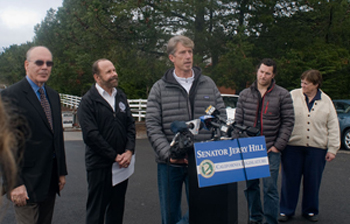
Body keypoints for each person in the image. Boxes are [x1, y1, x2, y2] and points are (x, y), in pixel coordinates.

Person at [146, 35, 226, 224]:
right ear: (172, 57)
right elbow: (152, 124)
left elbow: (221, 117)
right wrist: (168, 153)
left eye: (190, 52)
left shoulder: (208, 84)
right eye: (183, 52)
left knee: (201, 210)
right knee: (170, 214)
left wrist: (212, 146)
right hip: (170, 163)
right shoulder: (159, 88)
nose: (188, 56)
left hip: (202, 161)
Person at [0, 46, 68, 224]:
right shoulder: (9, 96)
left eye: (49, 63)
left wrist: (61, 171)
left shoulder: (53, 95)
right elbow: (5, 146)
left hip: (50, 179)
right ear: (26, 65)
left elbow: (57, 136)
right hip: (25, 182)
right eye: (39, 62)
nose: (45, 67)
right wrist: (13, 183)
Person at [235, 58, 294, 224]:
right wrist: (241, 142)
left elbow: (288, 121)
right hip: (249, 148)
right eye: (261, 71)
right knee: (251, 187)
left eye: (267, 73)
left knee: (270, 188)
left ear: (273, 75)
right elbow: (238, 122)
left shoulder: (282, 95)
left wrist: (277, 146)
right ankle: (255, 218)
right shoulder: (245, 94)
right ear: (257, 71)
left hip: (270, 149)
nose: (263, 75)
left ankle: (270, 220)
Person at [77, 59, 136, 224]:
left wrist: (129, 150)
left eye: (114, 70)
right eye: (108, 72)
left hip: (122, 165)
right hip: (100, 166)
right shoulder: (88, 102)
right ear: (97, 77)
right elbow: (91, 136)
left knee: (116, 210)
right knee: (97, 212)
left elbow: (130, 125)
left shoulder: (121, 96)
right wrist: (114, 156)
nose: (114, 74)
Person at [278, 69, 340, 223]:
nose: (303, 85)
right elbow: (282, 117)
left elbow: (333, 125)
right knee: (289, 180)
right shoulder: (293, 95)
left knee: (313, 181)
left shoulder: (326, 101)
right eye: (302, 82)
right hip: (292, 146)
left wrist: (333, 149)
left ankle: (310, 210)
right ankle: (286, 210)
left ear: (316, 85)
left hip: (317, 148)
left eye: (306, 83)